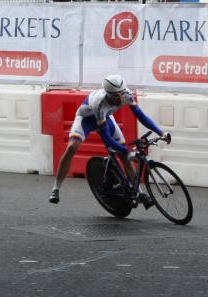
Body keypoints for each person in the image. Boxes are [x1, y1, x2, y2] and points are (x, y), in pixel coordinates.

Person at [49, 75, 168, 209]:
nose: (119, 99)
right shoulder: (99, 103)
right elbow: (107, 139)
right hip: (86, 119)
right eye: (115, 96)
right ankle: (56, 189)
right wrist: (127, 151)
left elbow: (141, 116)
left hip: (106, 118)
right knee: (72, 147)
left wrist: (161, 133)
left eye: (121, 95)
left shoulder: (126, 95)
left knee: (125, 157)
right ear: (107, 94)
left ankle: (138, 192)